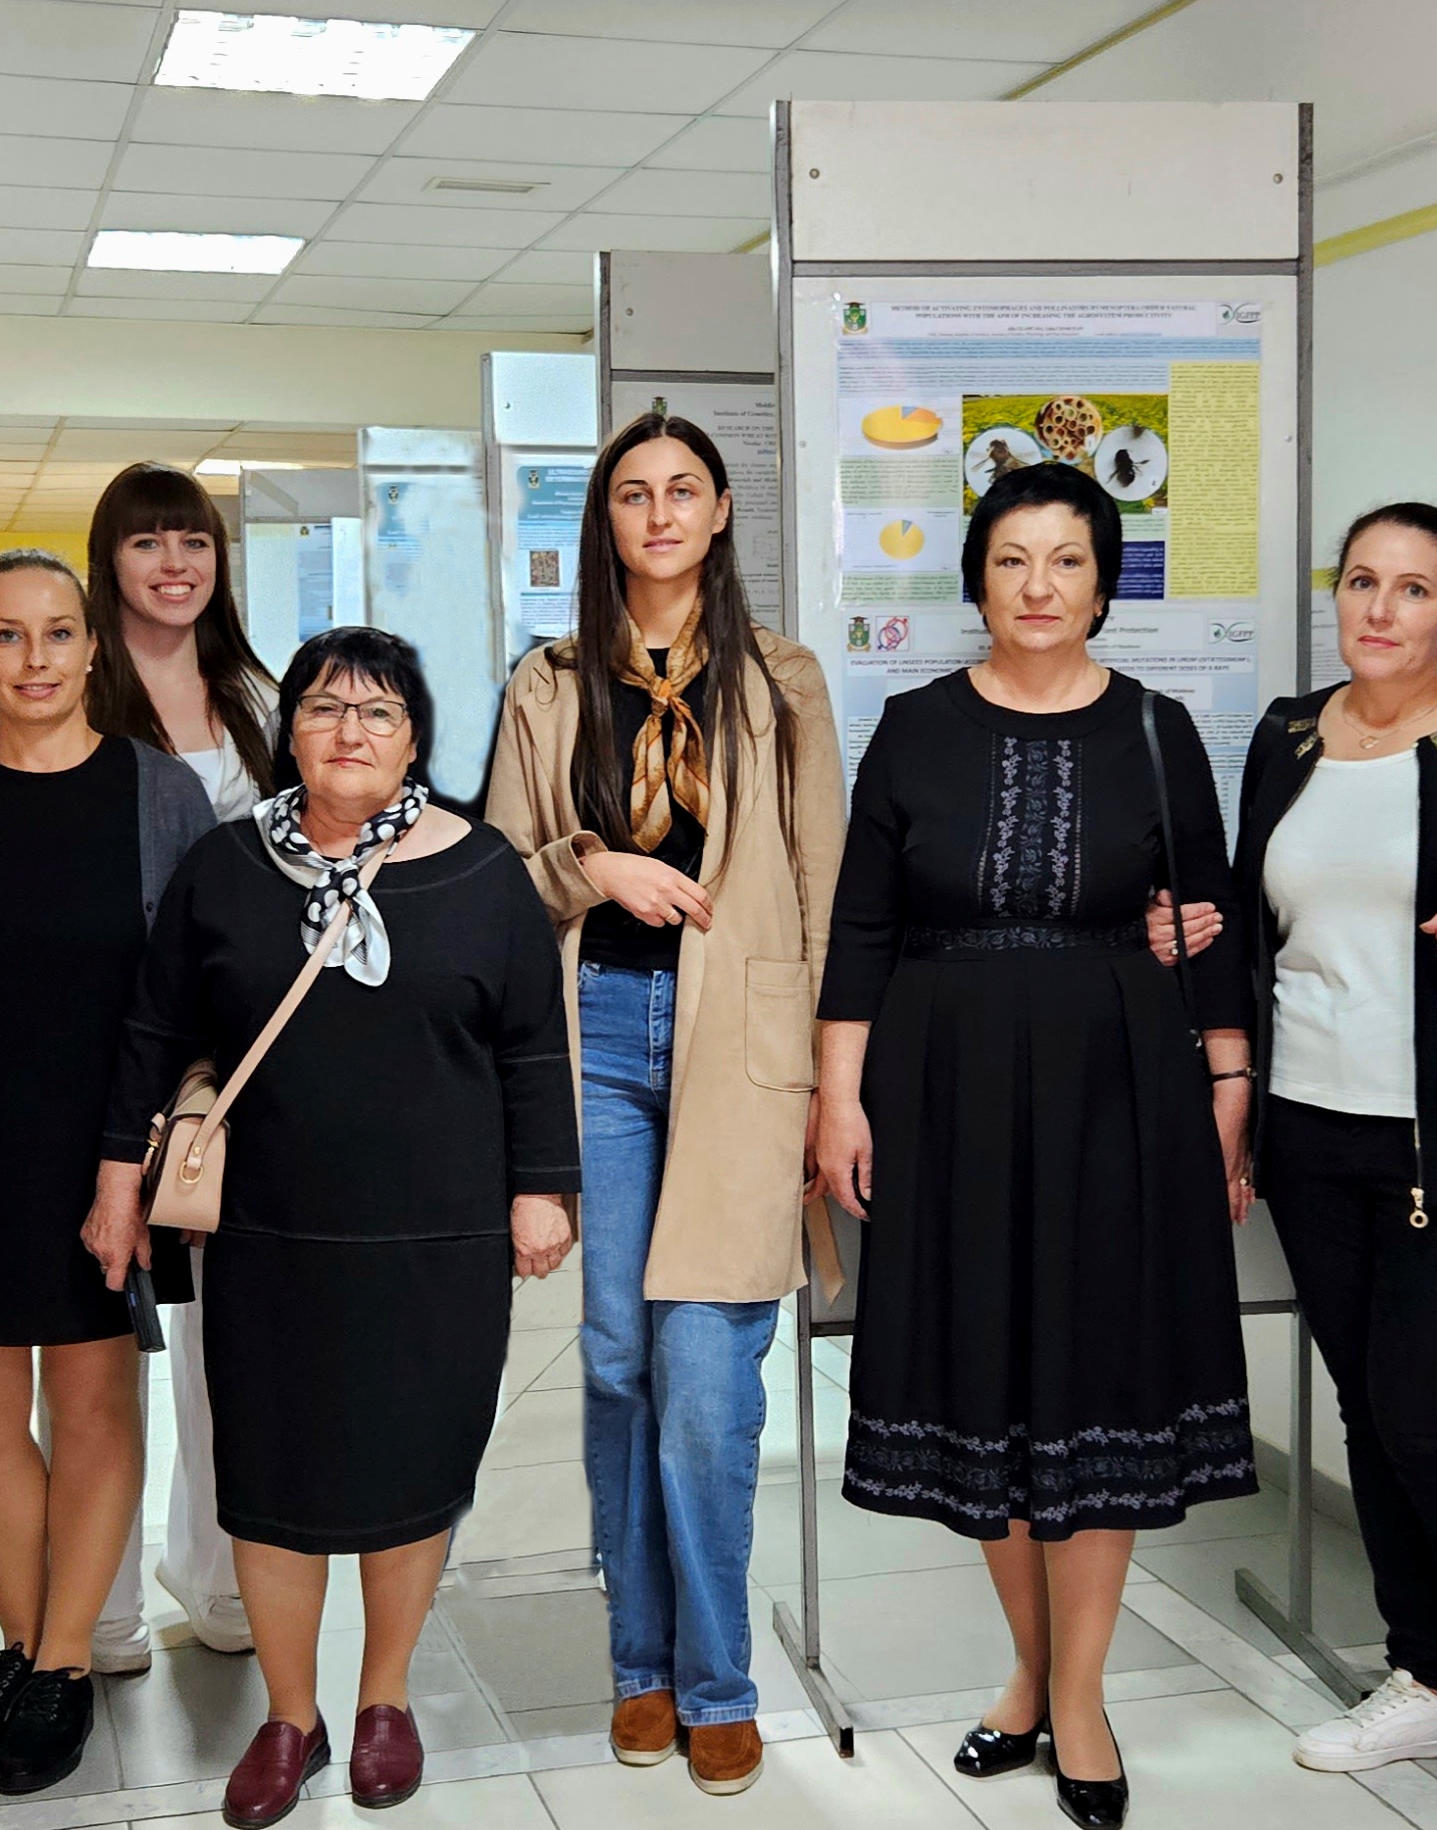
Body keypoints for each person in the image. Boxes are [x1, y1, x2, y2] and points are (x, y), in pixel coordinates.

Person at [814, 463, 1256, 1830]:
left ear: (1103, 582)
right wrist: (839, 1100)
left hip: (1115, 1091)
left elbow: (1210, 921)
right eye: (1012, 560)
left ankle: (1080, 1692)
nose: (1040, 586)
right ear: (978, 580)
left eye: (1067, 559)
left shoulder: (1158, 730)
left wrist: (1228, 1089)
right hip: (943, 1090)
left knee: (1094, 1380)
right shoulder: (912, 728)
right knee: (986, 1385)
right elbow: (861, 930)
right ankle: (1027, 1667)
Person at [94, 627, 578, 1827]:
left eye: (377, 712)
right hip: (268, 1232)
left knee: (415, 1470)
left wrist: (543, 1188)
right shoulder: (225, 867)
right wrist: (115, 1181)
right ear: (288, 731)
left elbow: (529, 1043)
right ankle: (289, 1715)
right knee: (272, 1477)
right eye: (323, 707)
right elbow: (153, 1031)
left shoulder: (483, 870)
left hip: (440, 1235)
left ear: (414, 738)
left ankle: (385, 1700)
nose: (349, 731)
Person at [1151, 505, 1437, 1808]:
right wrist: (1193, 935)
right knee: (1368, 1413)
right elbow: (1250, 914)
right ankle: (1422, 1674)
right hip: (1307, 1127)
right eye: (1362, 581)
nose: (1380, 608)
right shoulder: (1288, 733)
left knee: (1425, 1411)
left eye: (1414, 588)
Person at [486, 411, 846, 1797]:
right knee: (619, 1362)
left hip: (741, 1046)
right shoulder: (549, 680)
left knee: (704, 1383)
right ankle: (639, 1663)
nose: (657, 514)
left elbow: (819, 885)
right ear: (606, 519)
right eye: (632, 493)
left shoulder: (781, 679)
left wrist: (826, 1084)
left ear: (719, 512)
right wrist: (596, 868)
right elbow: (503, 872)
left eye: (682, 490)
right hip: (597, 1038)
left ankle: (718, 1681)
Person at [0, 549, 214, 1796]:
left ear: (91, 648)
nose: (35, 659)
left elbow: (192, 993)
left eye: (58, 633)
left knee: (94, 1416)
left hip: (102, 1159)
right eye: (6, 636)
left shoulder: (161, 793)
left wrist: (136, 1162)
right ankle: (27, 1646)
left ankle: (64, 1660)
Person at [81, 460, 281, 1668]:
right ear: (109, 560)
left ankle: (215, 1577)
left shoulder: (258, 696)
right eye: (148, 542)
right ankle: (96, 1603)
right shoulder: (77, 688)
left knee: (227, 1336)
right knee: (101, 1337)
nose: (174, 564)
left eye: (194, 541)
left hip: (239, 1058)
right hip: (109, 1042)